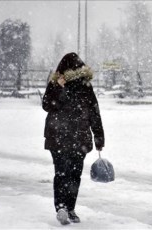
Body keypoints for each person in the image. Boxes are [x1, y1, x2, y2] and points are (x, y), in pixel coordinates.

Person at [42, 52, 105, 225]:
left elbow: (48, 105)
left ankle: (65, 207)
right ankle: (66, 208)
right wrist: (98, 136)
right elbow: (48, 105)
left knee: (64, 173)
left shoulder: (79, 85)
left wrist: (57, 88)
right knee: (72, 174)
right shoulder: (61, 84)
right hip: (73, 137)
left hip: (64, 137)